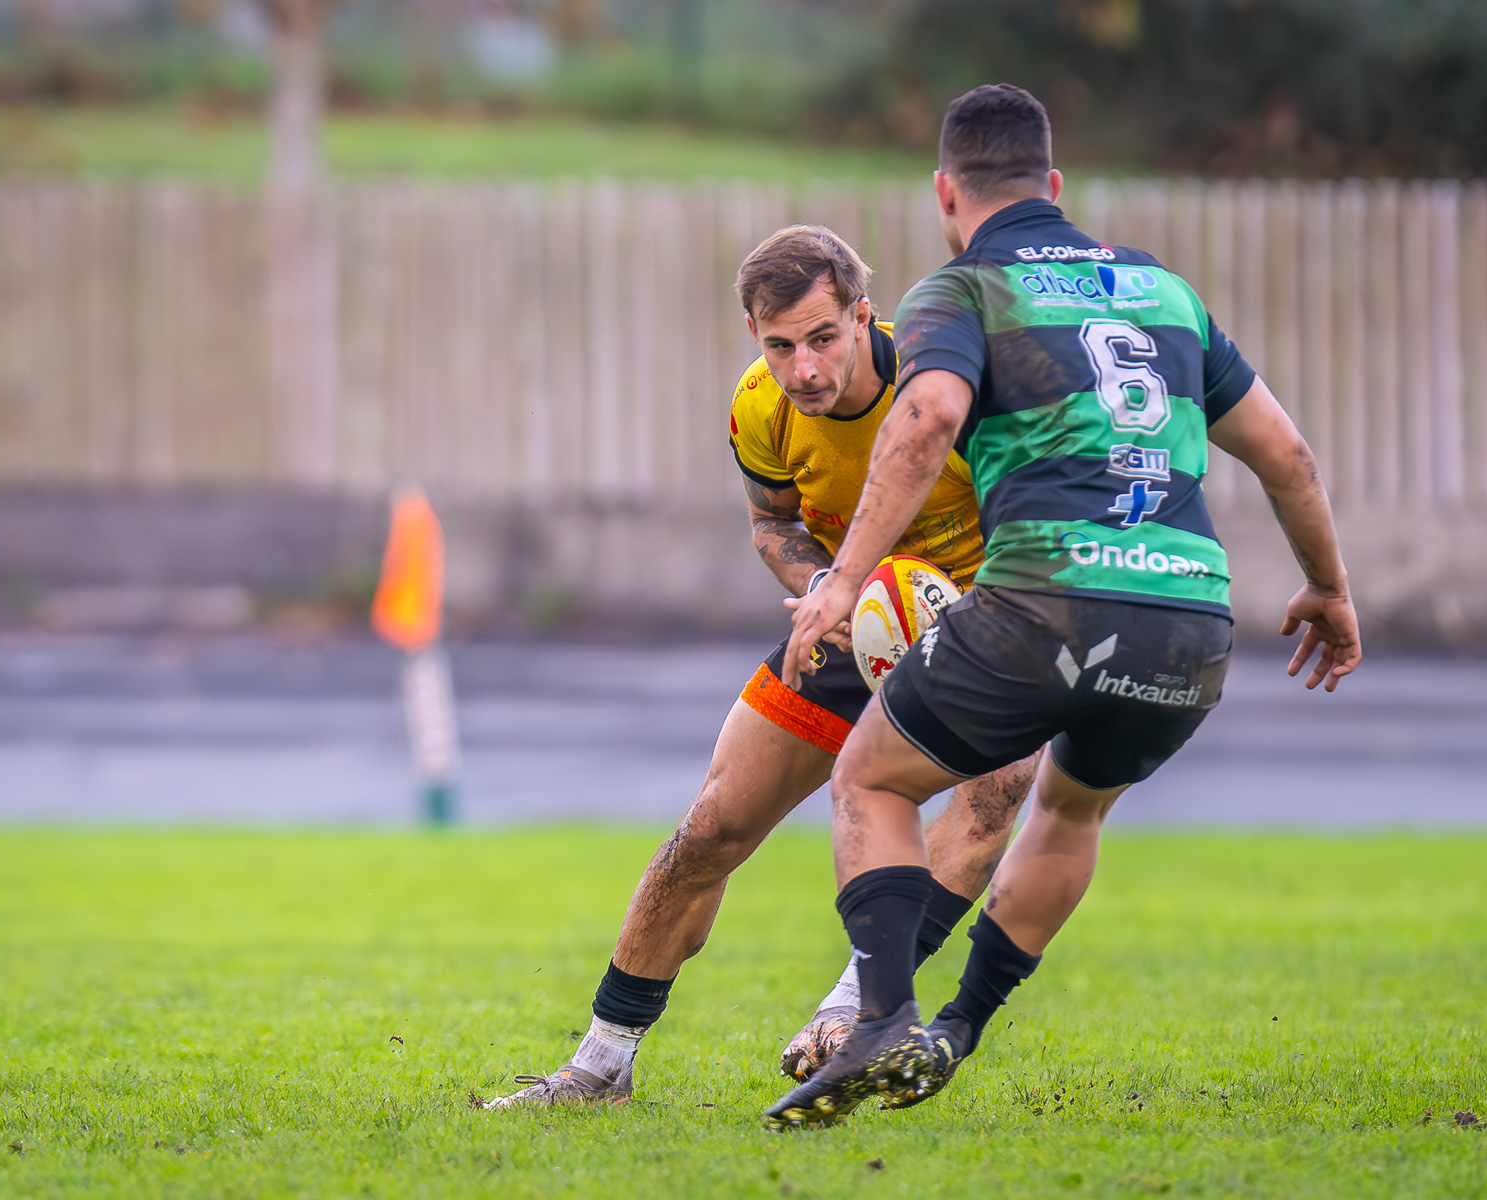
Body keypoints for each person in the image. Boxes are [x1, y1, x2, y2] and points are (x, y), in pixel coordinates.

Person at [763, 85, 1362, 1129]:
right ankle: (959, 1029)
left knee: (869, 779)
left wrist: (847, 577)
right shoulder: (1165, 294)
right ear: (1057, 186)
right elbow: (1288, 454)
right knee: (1072, 807)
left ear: (947, 191)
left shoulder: (966, 288)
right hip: (1191, 613)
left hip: (1048, 597)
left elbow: (928, 418)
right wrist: (1328, 586)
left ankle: (883, 1021)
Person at [484, 226, 1037, 1107]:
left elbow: (1039, 525)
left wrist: (978, 616)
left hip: (985, 624)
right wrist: (823, 586)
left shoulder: (953, 387)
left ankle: (853, 1010)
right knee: (709, 831)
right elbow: (774, 524)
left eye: (822, 338)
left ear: (864, 316)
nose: (804, 367)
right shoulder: (758, 405)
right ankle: (599, 1066)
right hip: (849, 623)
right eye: (780, 345)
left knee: (996, 793)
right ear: (753, 334)